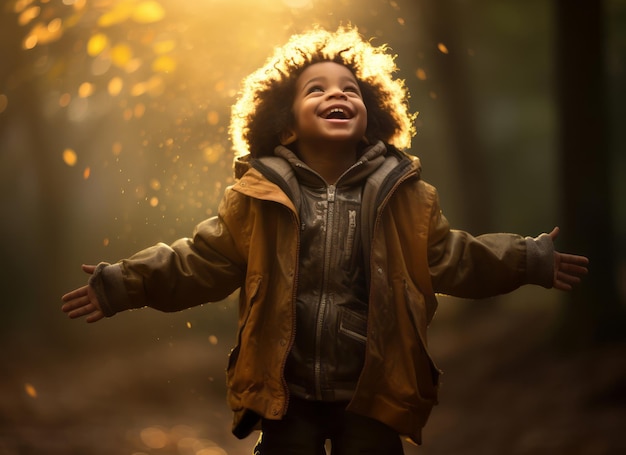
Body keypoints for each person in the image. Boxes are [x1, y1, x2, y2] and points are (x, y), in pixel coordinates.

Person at [61, 25, 589, 454]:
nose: (336, 93)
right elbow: (199, 262)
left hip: (375, 389)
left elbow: (457, 259)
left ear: (370, 120)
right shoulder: (257, 198)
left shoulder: (407, 197)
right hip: (284, 393)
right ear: (285, 126)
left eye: (349, 90)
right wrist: (123, 284)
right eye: (316, 89)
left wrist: (527, 259)